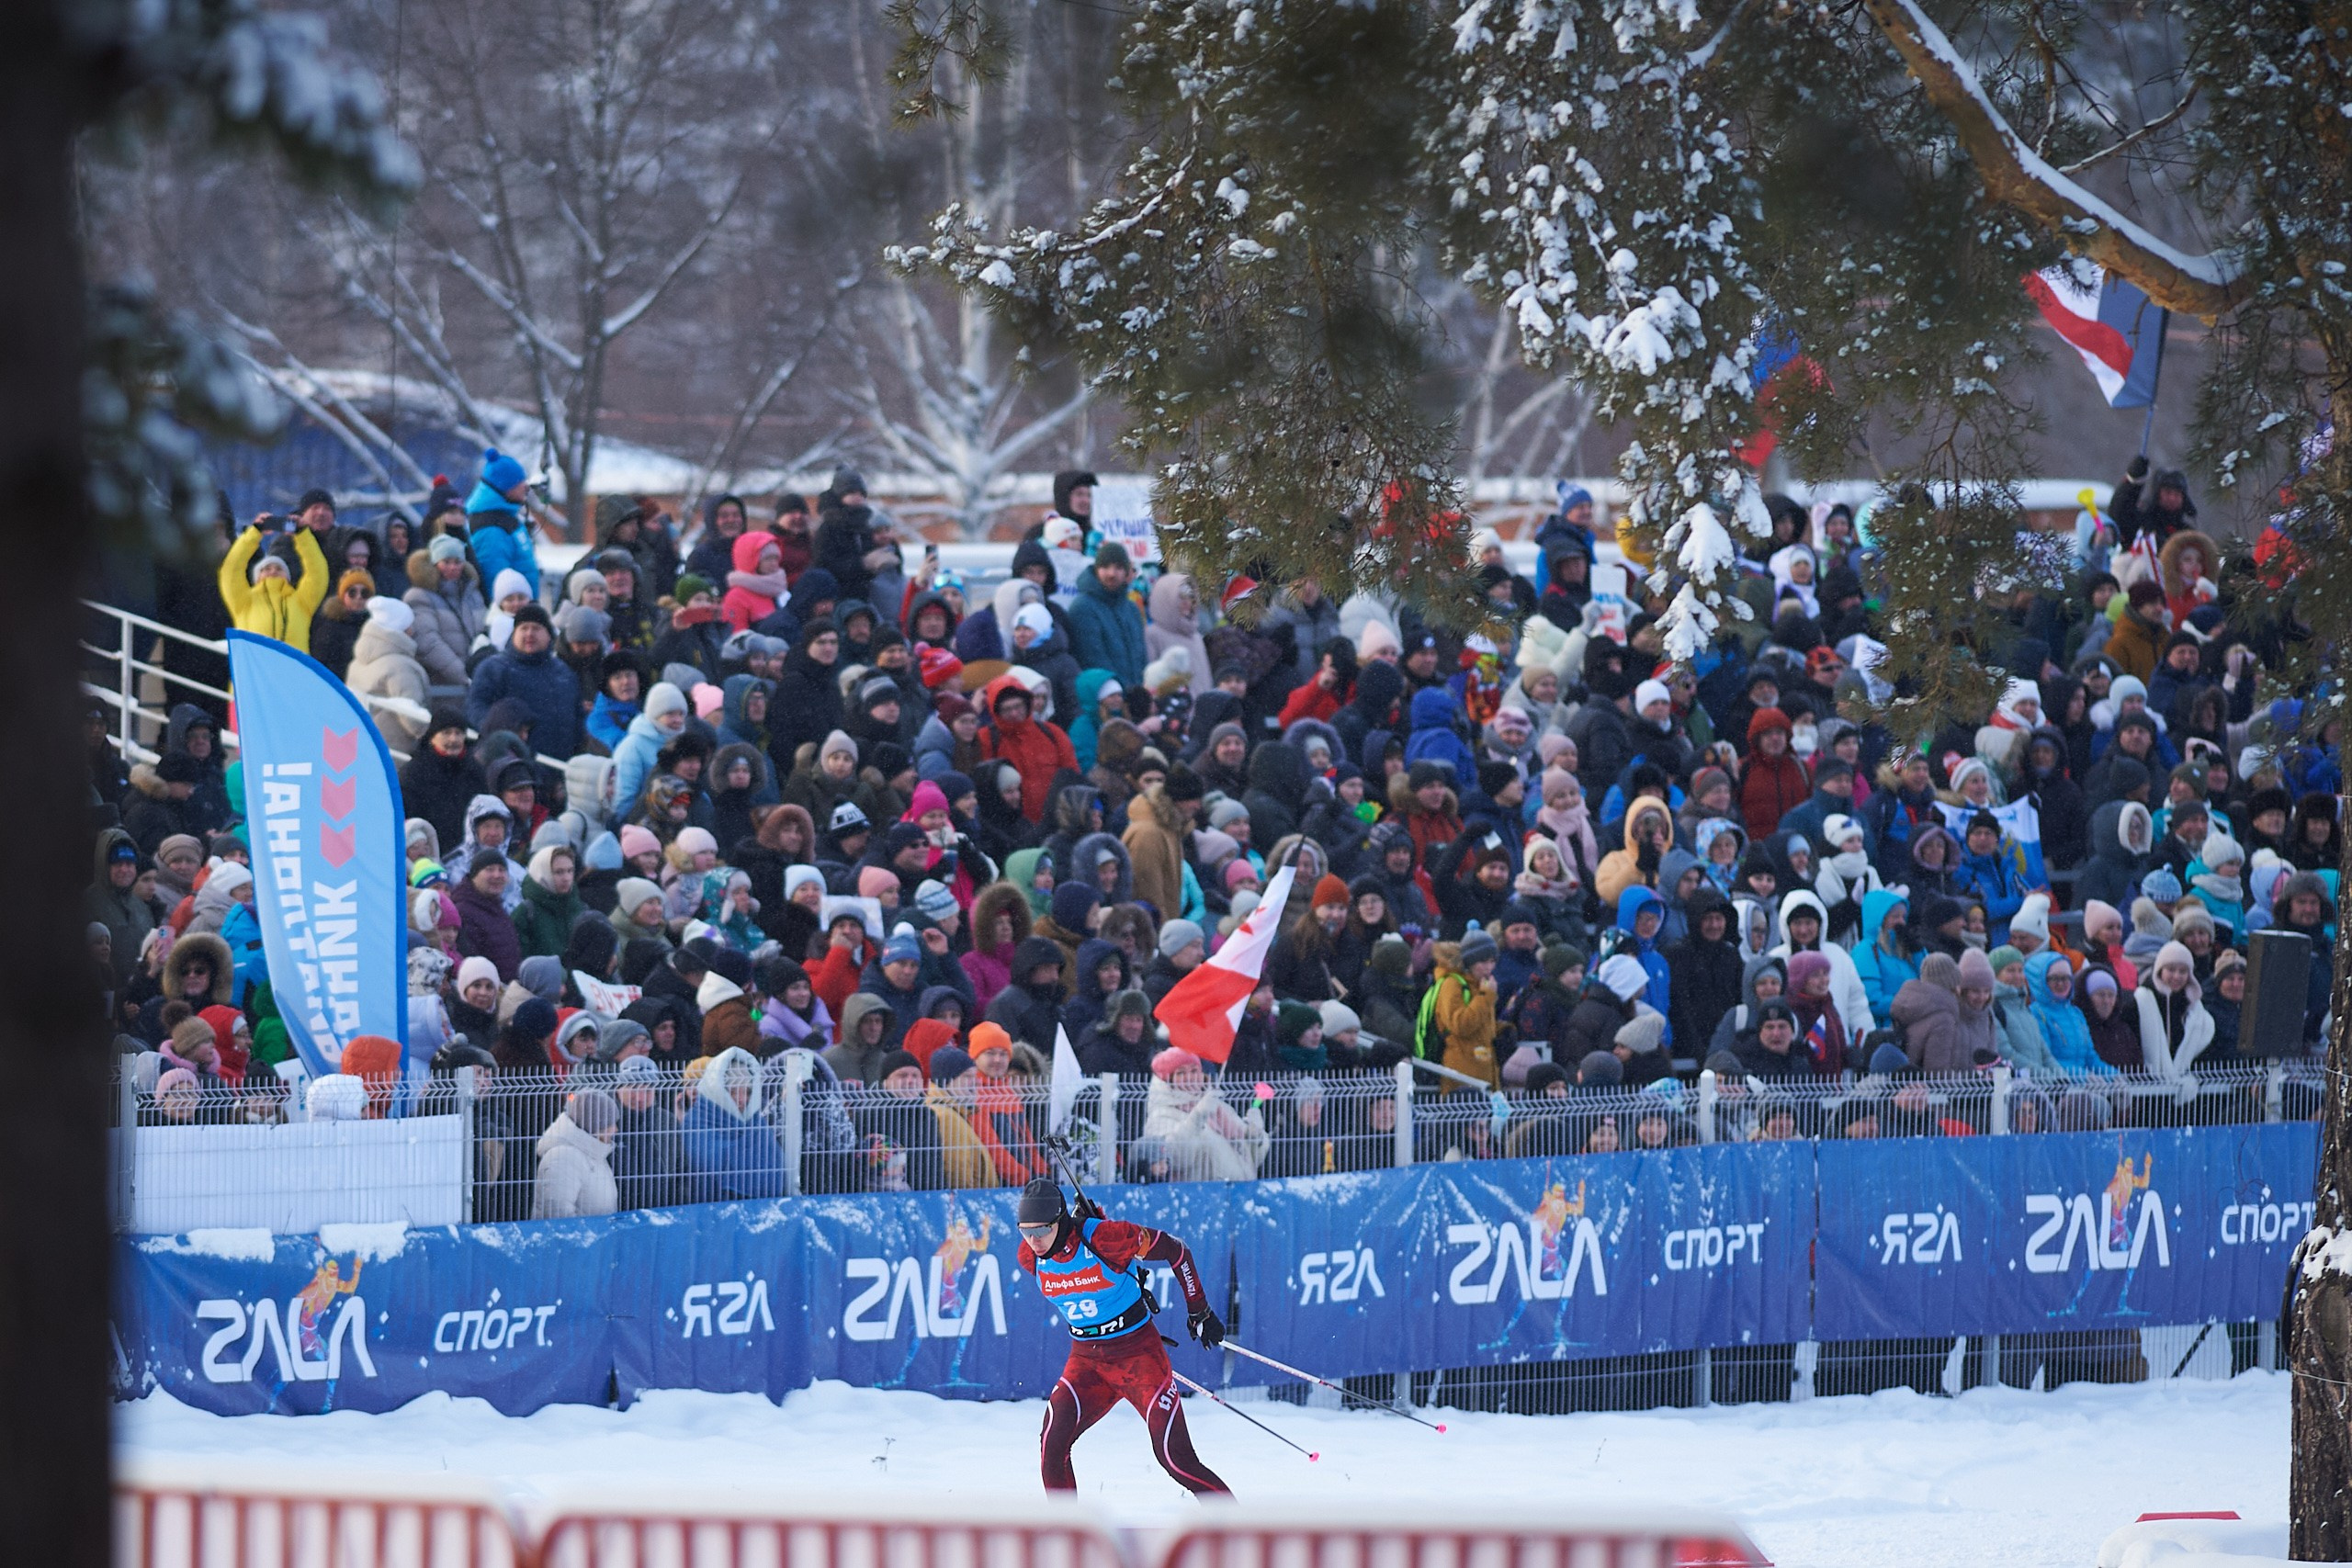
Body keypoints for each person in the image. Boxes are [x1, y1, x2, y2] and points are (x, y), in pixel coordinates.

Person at [1015, 1177, 1232, 1496]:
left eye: (1041, 1231)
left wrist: (1199, 1309)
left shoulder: (1106, 1238)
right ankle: (1068, 1539)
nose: (1034, 1241)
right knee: (1051, 1444)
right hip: (1087, 1362)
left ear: (1060, 1221)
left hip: (1138, 1357)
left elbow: (1177, 1251)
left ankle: (1233, 1528)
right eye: (1026, 1231)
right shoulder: (1029, 1256)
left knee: (1175, 1459)